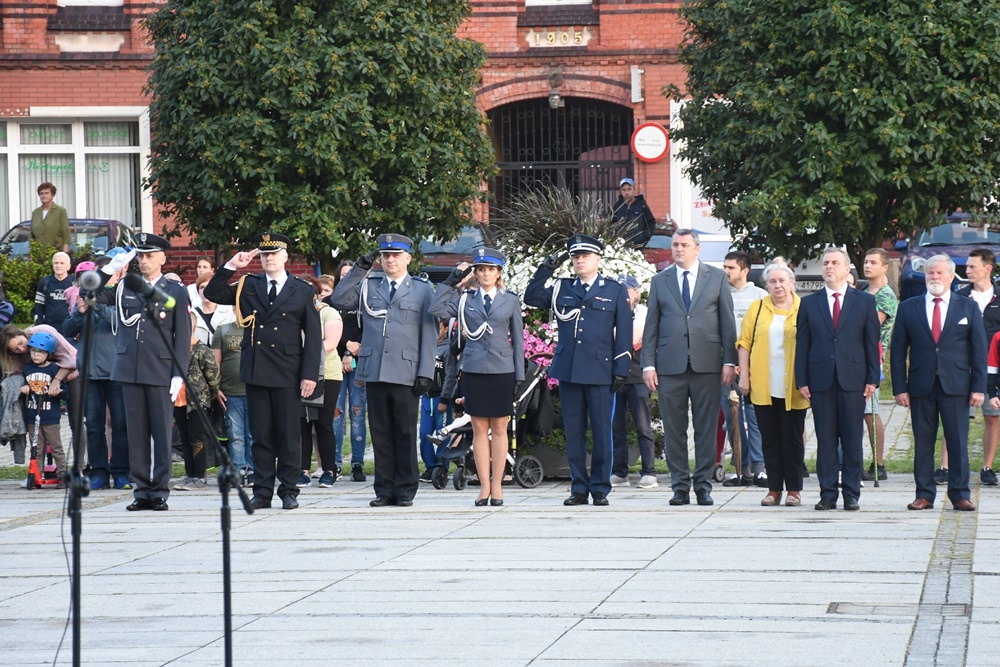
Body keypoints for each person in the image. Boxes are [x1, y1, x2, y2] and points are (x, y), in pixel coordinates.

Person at [204, 233, 321, 511]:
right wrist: (232, 265)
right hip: (257, 369)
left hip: (289, 371)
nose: (268, 258)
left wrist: (309, 375)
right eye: (264, 254)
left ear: (285, 257)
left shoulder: (302, 290)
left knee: (289, 435)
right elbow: (213, 293)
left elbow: (313, 337)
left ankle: (289, 489)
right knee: (262, 435)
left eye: (273, 254)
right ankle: (263, 490)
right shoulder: (249, 285)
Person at [526, 234, 632, 506]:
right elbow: (532, 297)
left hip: (600, 370)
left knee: (601, 432)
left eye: (586, 255)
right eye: (576, 256)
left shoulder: (614, 289)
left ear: (598, 258)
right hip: (570, 369)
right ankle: (578, 487)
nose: (580, 260)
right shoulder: (563, 288)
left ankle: (599, 487)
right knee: (574, 432)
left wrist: (621, 367)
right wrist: (545, 269)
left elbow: (623, 332)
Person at [331, 234, 437, 507]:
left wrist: (426, 371)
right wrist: (360, 269)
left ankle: (405, 489)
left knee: (403, 431)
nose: (390, 260)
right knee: (380, 432)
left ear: (408, 259)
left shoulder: (422, 290)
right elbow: (339, 299)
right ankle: (384, 489)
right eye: (385, 255)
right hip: (375, 368)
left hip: (406, 370)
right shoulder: (369, 285)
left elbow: (428, 333)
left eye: (396, 255)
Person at [641, 229, 737, 507]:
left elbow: (727, 322)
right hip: (670, 365)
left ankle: (703, 485)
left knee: (707, 427)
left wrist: (728, 360)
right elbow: (651, 326)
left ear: (697, 249)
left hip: (707, 364)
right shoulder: (660, 280)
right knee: (674, 429)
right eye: (675, 245)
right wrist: (648, 364)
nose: (678, 249)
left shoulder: (716, 277)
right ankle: (680, 485)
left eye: (684, 244)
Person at [95, 234, 190, 512]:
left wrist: (178, 373)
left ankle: (160, 490)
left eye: (149, 255)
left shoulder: (175, 291)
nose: (144, 260)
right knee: (136, 433)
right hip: (130, 368)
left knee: (161, 433)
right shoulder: (126, 286)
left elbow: (181, 336)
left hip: (161, 368)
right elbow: (91, 293)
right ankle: (141, 490)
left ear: (162, 258)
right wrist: (109, 270)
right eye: (140, 255)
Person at [892, 254, 985, 512]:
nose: (934, 277)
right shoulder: (908, 307)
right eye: (930, 273)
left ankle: (960, 494)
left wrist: (979, 387)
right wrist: (900, 387)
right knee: (923, 441)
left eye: (940, 273)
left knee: (957, 441)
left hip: (956, 385)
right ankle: (924, 494)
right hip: (921, 385)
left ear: (951, 277)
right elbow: (898, 352)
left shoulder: (966, 307)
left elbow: (978, 350)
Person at [433, 248, 525, 506]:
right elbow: (435, 308)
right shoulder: (465, 299)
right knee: (478, 428)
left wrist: (519, 374)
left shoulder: (510, 300)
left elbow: (518, 341)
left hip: (502, 370)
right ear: (475, 273)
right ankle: (484, 487)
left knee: (499, 428)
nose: (486, 274)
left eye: (491, 270)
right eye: (481, 269)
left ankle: (498, 486)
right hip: (473, 369)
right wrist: (451, 282)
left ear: (498, 274)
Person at [795, 247, 880, 511]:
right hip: (820, 381)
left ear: (847, 269)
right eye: (825, 263)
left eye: (835, 263)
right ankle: (828, 493)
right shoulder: (809, 302)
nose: (829, 267)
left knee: (853, 439)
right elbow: (803, 344)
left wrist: (872, 379)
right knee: (826, 440)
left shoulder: (864, 302)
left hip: (853, 380)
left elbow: (871, 343)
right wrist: (802, 380)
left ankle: (852, 493)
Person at [737, 260, 809, 506]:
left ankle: (794, 490)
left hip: (795, 386)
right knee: (769, 438)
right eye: (773, 281)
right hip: (763, 384)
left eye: (782, 280)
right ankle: (774, 489)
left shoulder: (804, 307)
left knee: (793, 438)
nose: (778, 285)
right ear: (766, 285)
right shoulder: (757, 308)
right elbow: (744, 343)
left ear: (791, 283)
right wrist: (744, 376)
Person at [62, 255, 130, 491]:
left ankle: (122, 471)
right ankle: (99, 471)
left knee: (121, 424)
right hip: (90, 372)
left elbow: (119, 322)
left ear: (117, 274)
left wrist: (97, 306)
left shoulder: (122, 295)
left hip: (117, 371)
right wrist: (80, 313)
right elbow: (68, 330)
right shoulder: (83, 297)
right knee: (93, 424)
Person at [953, 248, 1000, 486]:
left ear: (988, 269)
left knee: (992, 418)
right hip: (963, 366)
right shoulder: (960, 297)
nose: (967, 270)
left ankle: (987, 467)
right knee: (956, 417)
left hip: (992, 368)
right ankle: (945, 465)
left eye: (972, 267)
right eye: (967, 266)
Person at [721, 250, 767, 487]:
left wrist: (748, 364)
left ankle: (760, 467)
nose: (726, 272)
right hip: (728, 366)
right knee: (732, 418)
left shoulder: (760, 296)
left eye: (731, 268)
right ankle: (742, 468)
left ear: (745, 271)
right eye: (725, 267)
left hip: (755, 366)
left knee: (755, 417)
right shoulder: (720, 294)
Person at [610, 275, 658, 489]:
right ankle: (620, 472)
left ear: (637, 291)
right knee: (616, 427)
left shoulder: (645, 313)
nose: (624, 293)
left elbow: (639, 341)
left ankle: (649, 472)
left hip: (638, 376)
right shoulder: (611, 312)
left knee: (643, 425)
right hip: (614, 377)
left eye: (628, 289)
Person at [299, 276, 343, 489]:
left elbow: (331, 344)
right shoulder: (292, 314)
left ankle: (329, 470)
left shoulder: (328, 312)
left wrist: (299, 355)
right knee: (302, 424)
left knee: (323, 424)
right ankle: (303, 471)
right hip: (297, 374)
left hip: (328, 374)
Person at [172, 315, 221, 492]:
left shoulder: (202, 350)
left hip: (197, 403)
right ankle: (190, 474)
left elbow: (213, 378)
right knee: (184, 440)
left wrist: (209, 397)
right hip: (178, 402)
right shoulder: (174, 350)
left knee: (197, 439)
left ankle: (200, 476)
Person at [861, 248, 898, 482]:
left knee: (870, 412)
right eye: (865, 261)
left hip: (872, 357)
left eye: (873, 262)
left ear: (884, 267)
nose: (867, 265)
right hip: (856, 356)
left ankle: (879, 462)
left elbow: (871, 326)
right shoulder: (864, 290)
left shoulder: (885, 295)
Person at [330, 260, 367, 482]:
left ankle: (358, 464)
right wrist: (345, 348)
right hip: (335, 361)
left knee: (358, 413)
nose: (347, 279)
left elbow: (369, 328)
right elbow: (327, 330)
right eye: (343, 275)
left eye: (351, 275)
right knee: (335, 414)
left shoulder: (366, 301)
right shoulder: (330, 301)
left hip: (359, 361)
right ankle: (334, 463)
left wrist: (353, 353)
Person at [20, 331, 66, 488]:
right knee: (36, 449)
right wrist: (24, 387)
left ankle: (62, 476)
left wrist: (58, 391)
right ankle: (36, 475)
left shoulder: (54, 369)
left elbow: (65, 391)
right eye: (33, 351)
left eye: (40, 352)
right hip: (33, 416)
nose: (36, 355)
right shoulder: (27, 368)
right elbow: (22, 383)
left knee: (56, 448)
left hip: (51, 417)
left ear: (49, 353)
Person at [212, 315, 253, 486]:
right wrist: (216, 388)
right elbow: (216, 362)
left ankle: (253, 470)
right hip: (230, 391)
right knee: (235, 434)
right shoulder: (223, 330)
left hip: (253, 391)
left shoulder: (257, 329)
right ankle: (237, 469)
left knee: (253, 434)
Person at [33, 251, 75, 332]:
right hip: (50, 328)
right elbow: (39, 306)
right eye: (56, 263)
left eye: (62, 263)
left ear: (68, 266)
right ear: (53, 265)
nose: (58, 265)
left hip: (70, 328)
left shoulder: (75, 283)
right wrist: (39, 325)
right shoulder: (45, 282)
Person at [191, 272, 235, 346]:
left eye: (209, 287)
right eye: (202, 287)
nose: (205, 291)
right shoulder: (191, 313)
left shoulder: (229, 311)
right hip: (199, 355)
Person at [612, 177, 657, 246]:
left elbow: (651, 222)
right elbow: (612, 223)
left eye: (629, 189)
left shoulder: (641, 205)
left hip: (638, 247)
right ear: (621, 191)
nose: (627, 192)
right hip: (620, 246)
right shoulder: (617, 206)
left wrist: (644, 237)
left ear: (634, 190)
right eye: (624, 190)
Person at [30, 182, 70, 253]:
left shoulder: (60, 211)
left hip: (55, 253)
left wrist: (64, 254)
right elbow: (32, 237)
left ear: (52, 195)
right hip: (38, 255)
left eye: (46, 193)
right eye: (41, 193)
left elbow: (66, 233)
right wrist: (31, 255)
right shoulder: (35, 213)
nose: (43, 195)